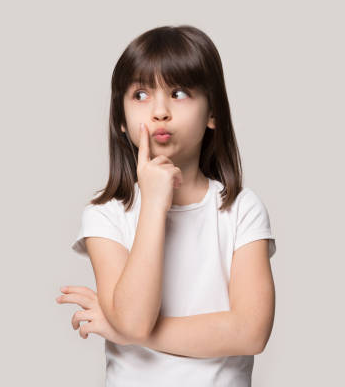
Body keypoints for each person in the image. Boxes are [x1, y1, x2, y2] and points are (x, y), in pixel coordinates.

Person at [56, 25, 276, 387]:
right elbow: (134, 317)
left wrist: (127, 332)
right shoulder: (105, 215)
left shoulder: (240, 209)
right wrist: (154, 203)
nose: (160, 111)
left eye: (178, 93)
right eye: (141, 94)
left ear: (212, 113)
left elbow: (250, 332)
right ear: (121, 122)